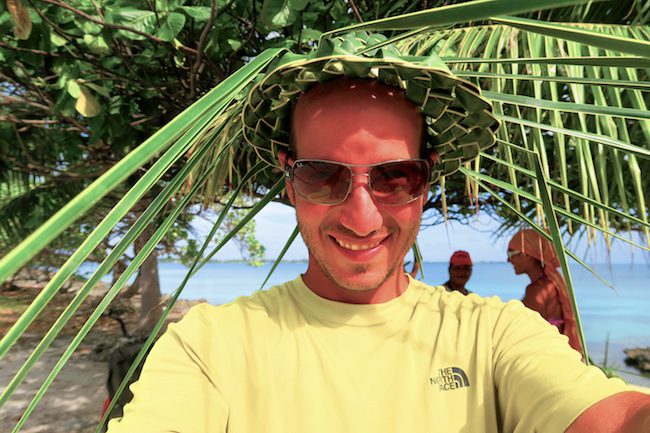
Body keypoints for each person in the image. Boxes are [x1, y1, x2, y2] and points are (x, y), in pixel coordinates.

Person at [107, 34, 649, 433]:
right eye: (323, 175)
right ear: (289, 179)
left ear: (427, 178)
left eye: (395, 176)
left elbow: (612, 418)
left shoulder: (496, 334)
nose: (361, 217)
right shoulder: (209, 345)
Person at [507, 229, 582, 353]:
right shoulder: (551, 283)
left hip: (545, 355)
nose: (509, 260)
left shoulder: (539, 289)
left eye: (511, 253)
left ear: (527, 253)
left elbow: (525, 334)